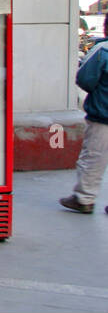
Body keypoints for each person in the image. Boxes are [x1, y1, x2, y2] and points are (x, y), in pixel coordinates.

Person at [61, 37, 108, 214]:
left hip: (103, 114)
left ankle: (84, 198)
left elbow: (84, 79)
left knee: (94, 157)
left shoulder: (102, 50)